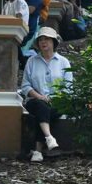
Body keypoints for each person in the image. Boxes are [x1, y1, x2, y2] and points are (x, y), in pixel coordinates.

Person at [19, 26, 72, 161]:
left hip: (57, 103)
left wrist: (55, 99)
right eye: (41, 39)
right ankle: (49, 137)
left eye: (47, 39)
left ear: (54, 42)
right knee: (41, 106)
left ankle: (37, 151)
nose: (44, 42)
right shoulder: (32, 61)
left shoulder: (63, 62)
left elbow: (69, 87)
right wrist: (40, 97)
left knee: (43, 112)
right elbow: (25, 86)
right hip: (35, 101)